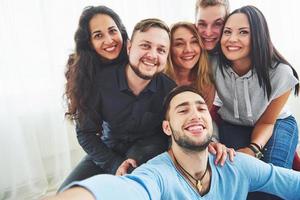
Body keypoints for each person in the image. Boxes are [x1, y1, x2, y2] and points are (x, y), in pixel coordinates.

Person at [61, 16, 232, 191]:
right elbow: (85, 133)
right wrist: (114, 164)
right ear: (129, 47)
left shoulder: (169, 90)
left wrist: (208, 142)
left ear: (166, 56)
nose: (152, 55)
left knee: (130, 183)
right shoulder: (100, 82)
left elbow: (186, 122)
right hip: (108, 149)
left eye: (161, 50)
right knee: (66, 192)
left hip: (147, 148)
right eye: (145, 46)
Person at [45, 86, 300, 200]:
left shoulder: (235, 164)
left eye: (201, 108)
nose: (195, 114)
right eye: (182, 110)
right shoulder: (157, 174)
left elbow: (288, 182)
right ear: (167, 127)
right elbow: (125, 191)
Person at [214, 5, 300, 199]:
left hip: (276, 123)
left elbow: (268, 122)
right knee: (239, 176)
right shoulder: (213, 66)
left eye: (243, 32)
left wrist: (253, 148)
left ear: (258, 36)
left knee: (271, 181)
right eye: (227, 32)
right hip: (233, 124)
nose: (232, 39)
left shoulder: (281, 73)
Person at [164, 22, 215, 110]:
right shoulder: (158, 82)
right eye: (179, 44)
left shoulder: (206, 84)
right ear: (169, 49)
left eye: (194, 42)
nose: (188, 49)